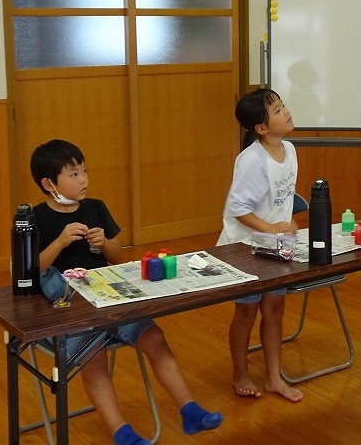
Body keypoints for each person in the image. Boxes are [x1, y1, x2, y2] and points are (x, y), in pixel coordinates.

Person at [30, 139, 223, 445]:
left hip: (110, 297)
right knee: (92, 356)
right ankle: (121, 432)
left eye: (84, 171)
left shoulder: (95, 208)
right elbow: (28, 271)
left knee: (155, 337)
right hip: (68, 306)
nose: (83, 180)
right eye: (73, 174)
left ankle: (190, 410)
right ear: (48, 183)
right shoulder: (34, 218)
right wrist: (61, 242)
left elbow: (117, 256)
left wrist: (104, 243)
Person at [216, 88, 304, 403]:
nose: (286, 111)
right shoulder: (251, 159)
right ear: (262, 128)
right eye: (277, 110)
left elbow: (281, 198)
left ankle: (273, 377)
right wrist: (270, 228)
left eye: (283, 105)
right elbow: (238, 208)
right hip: (245, 247)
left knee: (275, 309)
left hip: (275, 247)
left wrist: (285, 224)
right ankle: (240, 373)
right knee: (246, 312)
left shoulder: (289, 149)